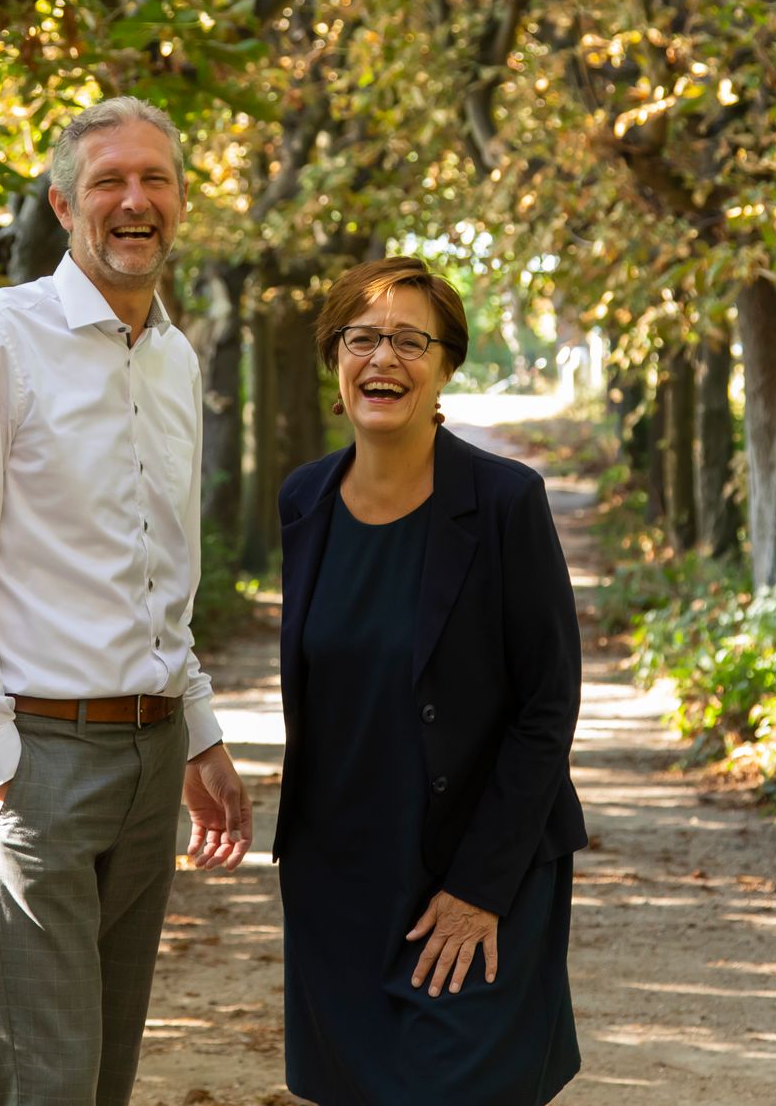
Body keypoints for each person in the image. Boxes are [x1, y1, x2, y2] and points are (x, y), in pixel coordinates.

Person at [0, 96, 253, 1106]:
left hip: (147, 765)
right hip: (36, 762)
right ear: (63, 203)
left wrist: (195, 729)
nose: (135, 200)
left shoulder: (176, 360)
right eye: (109, 181)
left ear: (181, 202)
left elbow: (160, 578)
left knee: (103, 1077)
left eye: (157, 180)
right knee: (49, 1078)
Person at [274, 257, 585, 1106]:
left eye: (411, 340)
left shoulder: (504, 501)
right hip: (340, 884)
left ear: (446, 364)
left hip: (479, 872)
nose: (384, 359)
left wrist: (479, 889)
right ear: (334, 359)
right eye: (362, 338)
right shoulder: (303, 501)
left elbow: (548, 703)